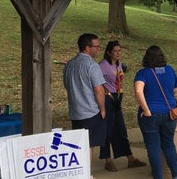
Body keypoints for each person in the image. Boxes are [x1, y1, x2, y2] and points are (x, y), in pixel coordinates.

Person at [134, 45, 177, 179]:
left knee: (153, 148)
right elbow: (176, 88)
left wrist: (146, 110)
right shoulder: (170, 70)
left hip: (151, 114)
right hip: (170, 113)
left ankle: (158, 177)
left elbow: (138, 91)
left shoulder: (143, 73)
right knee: (168, 145)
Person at [98, 41, 146, 172]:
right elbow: (95, 81)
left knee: (121, 129)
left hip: (118, 98)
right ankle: (108, 160)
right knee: (108, 129)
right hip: (108, 99)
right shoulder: (102, 65)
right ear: (108, 52)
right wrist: (106, 92)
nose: (118, 53)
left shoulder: (118, 64)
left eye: (120, 50)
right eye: (115, 51)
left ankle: (130, 158)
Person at [63, 33, 107, 170]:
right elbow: (99, 89)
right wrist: (103, 109)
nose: (99, 49)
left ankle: (80, 171)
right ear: (87, 48)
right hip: (90, 111)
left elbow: (66, 84)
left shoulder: (69, 65)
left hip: (75, 111)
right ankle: (85, 173)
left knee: (78, 143)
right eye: (97, 46)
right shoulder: (92, 66)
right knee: (89, 145)